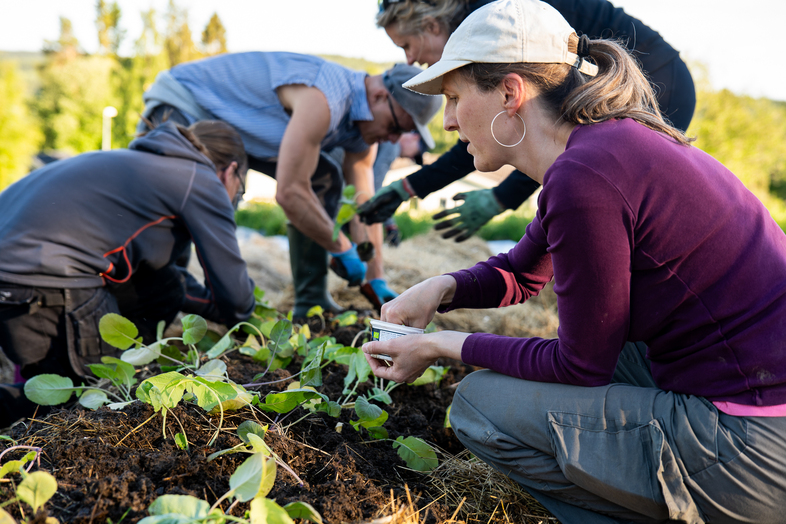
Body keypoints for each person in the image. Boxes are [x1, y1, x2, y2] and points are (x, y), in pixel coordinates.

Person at [361, 0, 786, 522]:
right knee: (620, 342)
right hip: (762, 410)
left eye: (453, 97)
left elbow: (579, 367)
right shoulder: (606, 146)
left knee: (476, 406)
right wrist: (440, 289)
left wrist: (440, 345)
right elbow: (522, 272)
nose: (447, 122)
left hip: (754, 446)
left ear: (510, 93)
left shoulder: (585, 178)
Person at [359, 0, 696, 243]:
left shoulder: (500, 23)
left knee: (609, 204)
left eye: (406, 44)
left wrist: (502, 197)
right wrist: (412, 186)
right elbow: (492, 127)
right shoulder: (485, 34)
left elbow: (531, 129)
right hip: (637, 77)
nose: (409, 59)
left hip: (658, 82)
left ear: (432, 26)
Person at [137, 52, 442, 317]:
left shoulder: (361, 134)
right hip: (188, 106)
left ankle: (310, 303)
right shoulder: (325, 98)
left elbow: (365, 207)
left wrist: (376, 279)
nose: (393, 140)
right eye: (394, 127)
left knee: (323, 177)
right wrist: (342, 247)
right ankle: (157, 312)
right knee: (190, 199)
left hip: (242, 132)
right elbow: (290, 192)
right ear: (377, 96)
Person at [0, 120, 256, 428]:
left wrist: (213, 308)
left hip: (23, 276)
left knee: (165, 288)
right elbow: (237, 299)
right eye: (239, 191)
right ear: (230, 172)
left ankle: (103, 362)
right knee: (85, 400)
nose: (234, 199)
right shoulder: (199, 178)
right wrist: (247, 323)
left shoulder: (145, 165)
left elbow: (168, 282)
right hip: (43, 280)